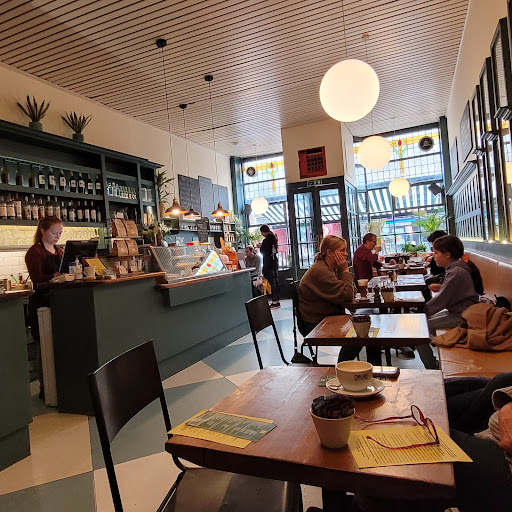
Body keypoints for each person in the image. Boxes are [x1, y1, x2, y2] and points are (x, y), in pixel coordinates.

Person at [349, 373, 512, 512]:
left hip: (505, 457)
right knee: (433, 402)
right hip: (501, 401)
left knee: (386, 473)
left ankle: (368, 497)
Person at [417, 235, 483, 369]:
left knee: (418, 331)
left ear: (447, 254)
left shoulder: (456, 271)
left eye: (436, 252)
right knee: (421, 324)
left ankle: (432, 367)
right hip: (460, 311)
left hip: (462, 316)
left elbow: (442, 300)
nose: (433, 256)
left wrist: (421, 313)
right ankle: (432, 362)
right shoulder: (456, 268)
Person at [25, 216, 64, 399]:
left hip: (58, 302)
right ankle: (45, 388)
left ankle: (58, 385)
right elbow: (36, 279)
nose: (57, 236)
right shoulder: (35, 252)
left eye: (60, 233)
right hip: (40, 303)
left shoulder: (60, 251)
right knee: (43, 347)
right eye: (54, 232)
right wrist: (53, 276)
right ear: (43, 230)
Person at [299, 235, 355, 334]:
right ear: (329, 253)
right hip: (317, 323)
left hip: (328, 316)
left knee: (363, 324)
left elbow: (351, 291)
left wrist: (343, 273)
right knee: (360, 331)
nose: (346, 254)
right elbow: (348, 294)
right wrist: (345, 271)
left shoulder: (332, 268)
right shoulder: (320, 271)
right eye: (342, 250)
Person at [259, 224, 280, 309]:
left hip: (269, 263)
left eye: (261, 232)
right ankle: (276, 300)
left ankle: (275, 301)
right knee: (275, 281)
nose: (261, 234)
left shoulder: (267, 240)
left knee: (272, 282)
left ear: (264, 231)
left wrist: (260, 247)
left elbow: (264, 252)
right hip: (274, 262)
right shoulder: (274, 238)